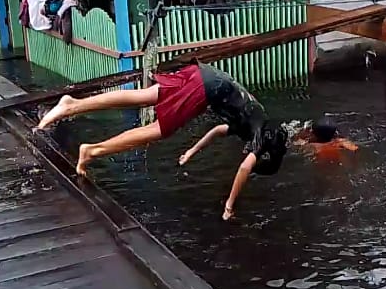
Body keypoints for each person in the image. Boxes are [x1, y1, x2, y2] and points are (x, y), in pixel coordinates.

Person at [37, 62, 287, 220]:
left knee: (142, 96)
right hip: (207, 88)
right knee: (158, 130)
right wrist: (230, 206)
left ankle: (72, 104)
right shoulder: (264, 136)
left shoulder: (256, 116)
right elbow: (245, 168)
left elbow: (219, 130)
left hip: (204, 73)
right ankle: (91, 152)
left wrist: (191, 151)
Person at [290, 117, 358, 161]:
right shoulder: (342, 142)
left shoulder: (312, 146)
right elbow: (355, 149)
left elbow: (294, 143)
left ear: (313, 134)